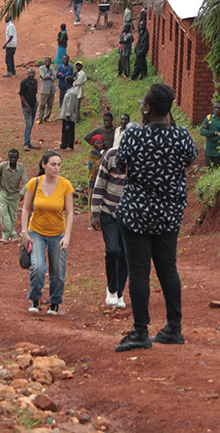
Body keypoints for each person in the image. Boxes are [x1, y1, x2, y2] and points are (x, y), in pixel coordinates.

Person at [113, 83, 198, 352]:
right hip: (168, 215)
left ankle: (140, 332)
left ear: (147, 109)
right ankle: (174, 328)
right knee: (168, 269)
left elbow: (119, 163)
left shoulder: (133, 135)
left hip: (136, 213)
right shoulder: (181, 135)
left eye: (142, 105)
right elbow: (191, 158)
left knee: (139, 272)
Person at [20, 150, 75, 316]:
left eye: (59, 165)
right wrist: (24, 232)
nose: (56, 168)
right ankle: (35, 298)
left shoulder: (65, 185)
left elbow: (70, 212)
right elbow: (26, 209)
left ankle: (55, 301)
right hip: (36, 231)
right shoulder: (34, 183)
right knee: (37, 266)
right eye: (53, 164)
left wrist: (67, 235)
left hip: (58, 233)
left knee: (58, 271)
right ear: (44, 165)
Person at [90, 123, 137, 309]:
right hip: (109, 211)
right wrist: (95, 212)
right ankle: (111, 288)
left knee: (125, 254)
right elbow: (100, 183)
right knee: (113, 250)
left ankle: (119, 293)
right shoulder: (111, 155)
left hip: (130, 215)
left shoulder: (142, 158)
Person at [0, 148, 27, 242]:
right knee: (4, 214)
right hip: (4, 194)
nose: (13, 160)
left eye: (15, 158)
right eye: (11, 157)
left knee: (13, 216)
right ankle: (5, 235)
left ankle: (12, 235)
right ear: (8, 157)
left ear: (18, 158)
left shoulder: (21, 168)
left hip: (15, 195)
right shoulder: (2, 166)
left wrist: (22, 193)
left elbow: (25, 182)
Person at [199, 100, 220, 168]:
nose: (216, 110)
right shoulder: (209, 118)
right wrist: (214, 133)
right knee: (208, 170)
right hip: (208, 152)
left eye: (219, 108)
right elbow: (201, 131)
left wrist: (209, 136)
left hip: (219, 153)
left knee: (218, 171)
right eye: (215, 108)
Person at [19, 68, 40, 151]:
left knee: (31, 124)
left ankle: (28, 142)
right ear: (27, 74)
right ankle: (26, 143)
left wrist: (36, 102)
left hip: (33, 105)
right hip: (26, 106)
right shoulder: (24, 82)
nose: (31, 75)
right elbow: (21, 95)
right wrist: (27, 106)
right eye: (30, 73)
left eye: (33, 73)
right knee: (29, 123)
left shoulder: (35, 82)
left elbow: (34, 93)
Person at [87, 134, 105, 222]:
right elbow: (94, 166)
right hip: (93, 178)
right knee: (92, 198)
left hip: (101, 178)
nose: (99, 145)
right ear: (93, 143)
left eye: (101, 143)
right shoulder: (92, 152)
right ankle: (92, 220)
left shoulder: (103, 152)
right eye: (97, 143)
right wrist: (102, 159)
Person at [58, 76, 78, 150]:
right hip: (67, 114)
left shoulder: (72, 93)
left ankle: (69, 145)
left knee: (69, 131)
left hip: (69, 115)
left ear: (68, 82)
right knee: (66, 130)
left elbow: (70, 105)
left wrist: (68, 114)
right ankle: (64, 144)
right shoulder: (70, 91)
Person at [36, 58, 56, 124]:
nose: (48, 63)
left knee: (50, 104)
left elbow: (54, 77)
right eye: (47, 61)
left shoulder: (52, 68)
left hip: (52, 89)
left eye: (49, 61)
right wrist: (49, 75)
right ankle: (39, 118)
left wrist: (47, 76)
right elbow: (43, 76)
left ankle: (47, 117)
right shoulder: (41, 68)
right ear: (44, 62)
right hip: (44, 89)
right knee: (42, 104)